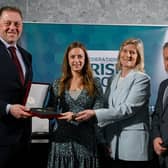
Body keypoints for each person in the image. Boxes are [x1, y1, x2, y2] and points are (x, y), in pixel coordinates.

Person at [75, 38, 151, 168]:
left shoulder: (142, 79)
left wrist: (94, 114)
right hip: (112, 143)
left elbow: (126, 109)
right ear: (120, 53)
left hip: (133, 147)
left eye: (133, 52)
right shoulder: (113, 79)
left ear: (138, 57)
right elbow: (106, 107)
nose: (128, 55)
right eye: (125, 51)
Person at [47, 41, 104, 168]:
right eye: (72, 57)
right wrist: (39, 109)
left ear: (85, 60)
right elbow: (50, 110)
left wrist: (74, 116)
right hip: (61, 143)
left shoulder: (95, 84)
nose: (76, 60)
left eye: (80, 56)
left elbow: (98, 113)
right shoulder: (57, 84)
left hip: (85, 144)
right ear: (67, 60)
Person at [0, 6, 33, 168]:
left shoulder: (26, 56)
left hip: (23, 138)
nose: (12, 28)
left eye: (17, 24)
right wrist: (8, 108)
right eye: (7, 23)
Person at [152, 42, 168, 168]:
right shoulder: (163, 85)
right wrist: (156, 137)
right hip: (162, 156)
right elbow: (157, 115)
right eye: (166, 59)